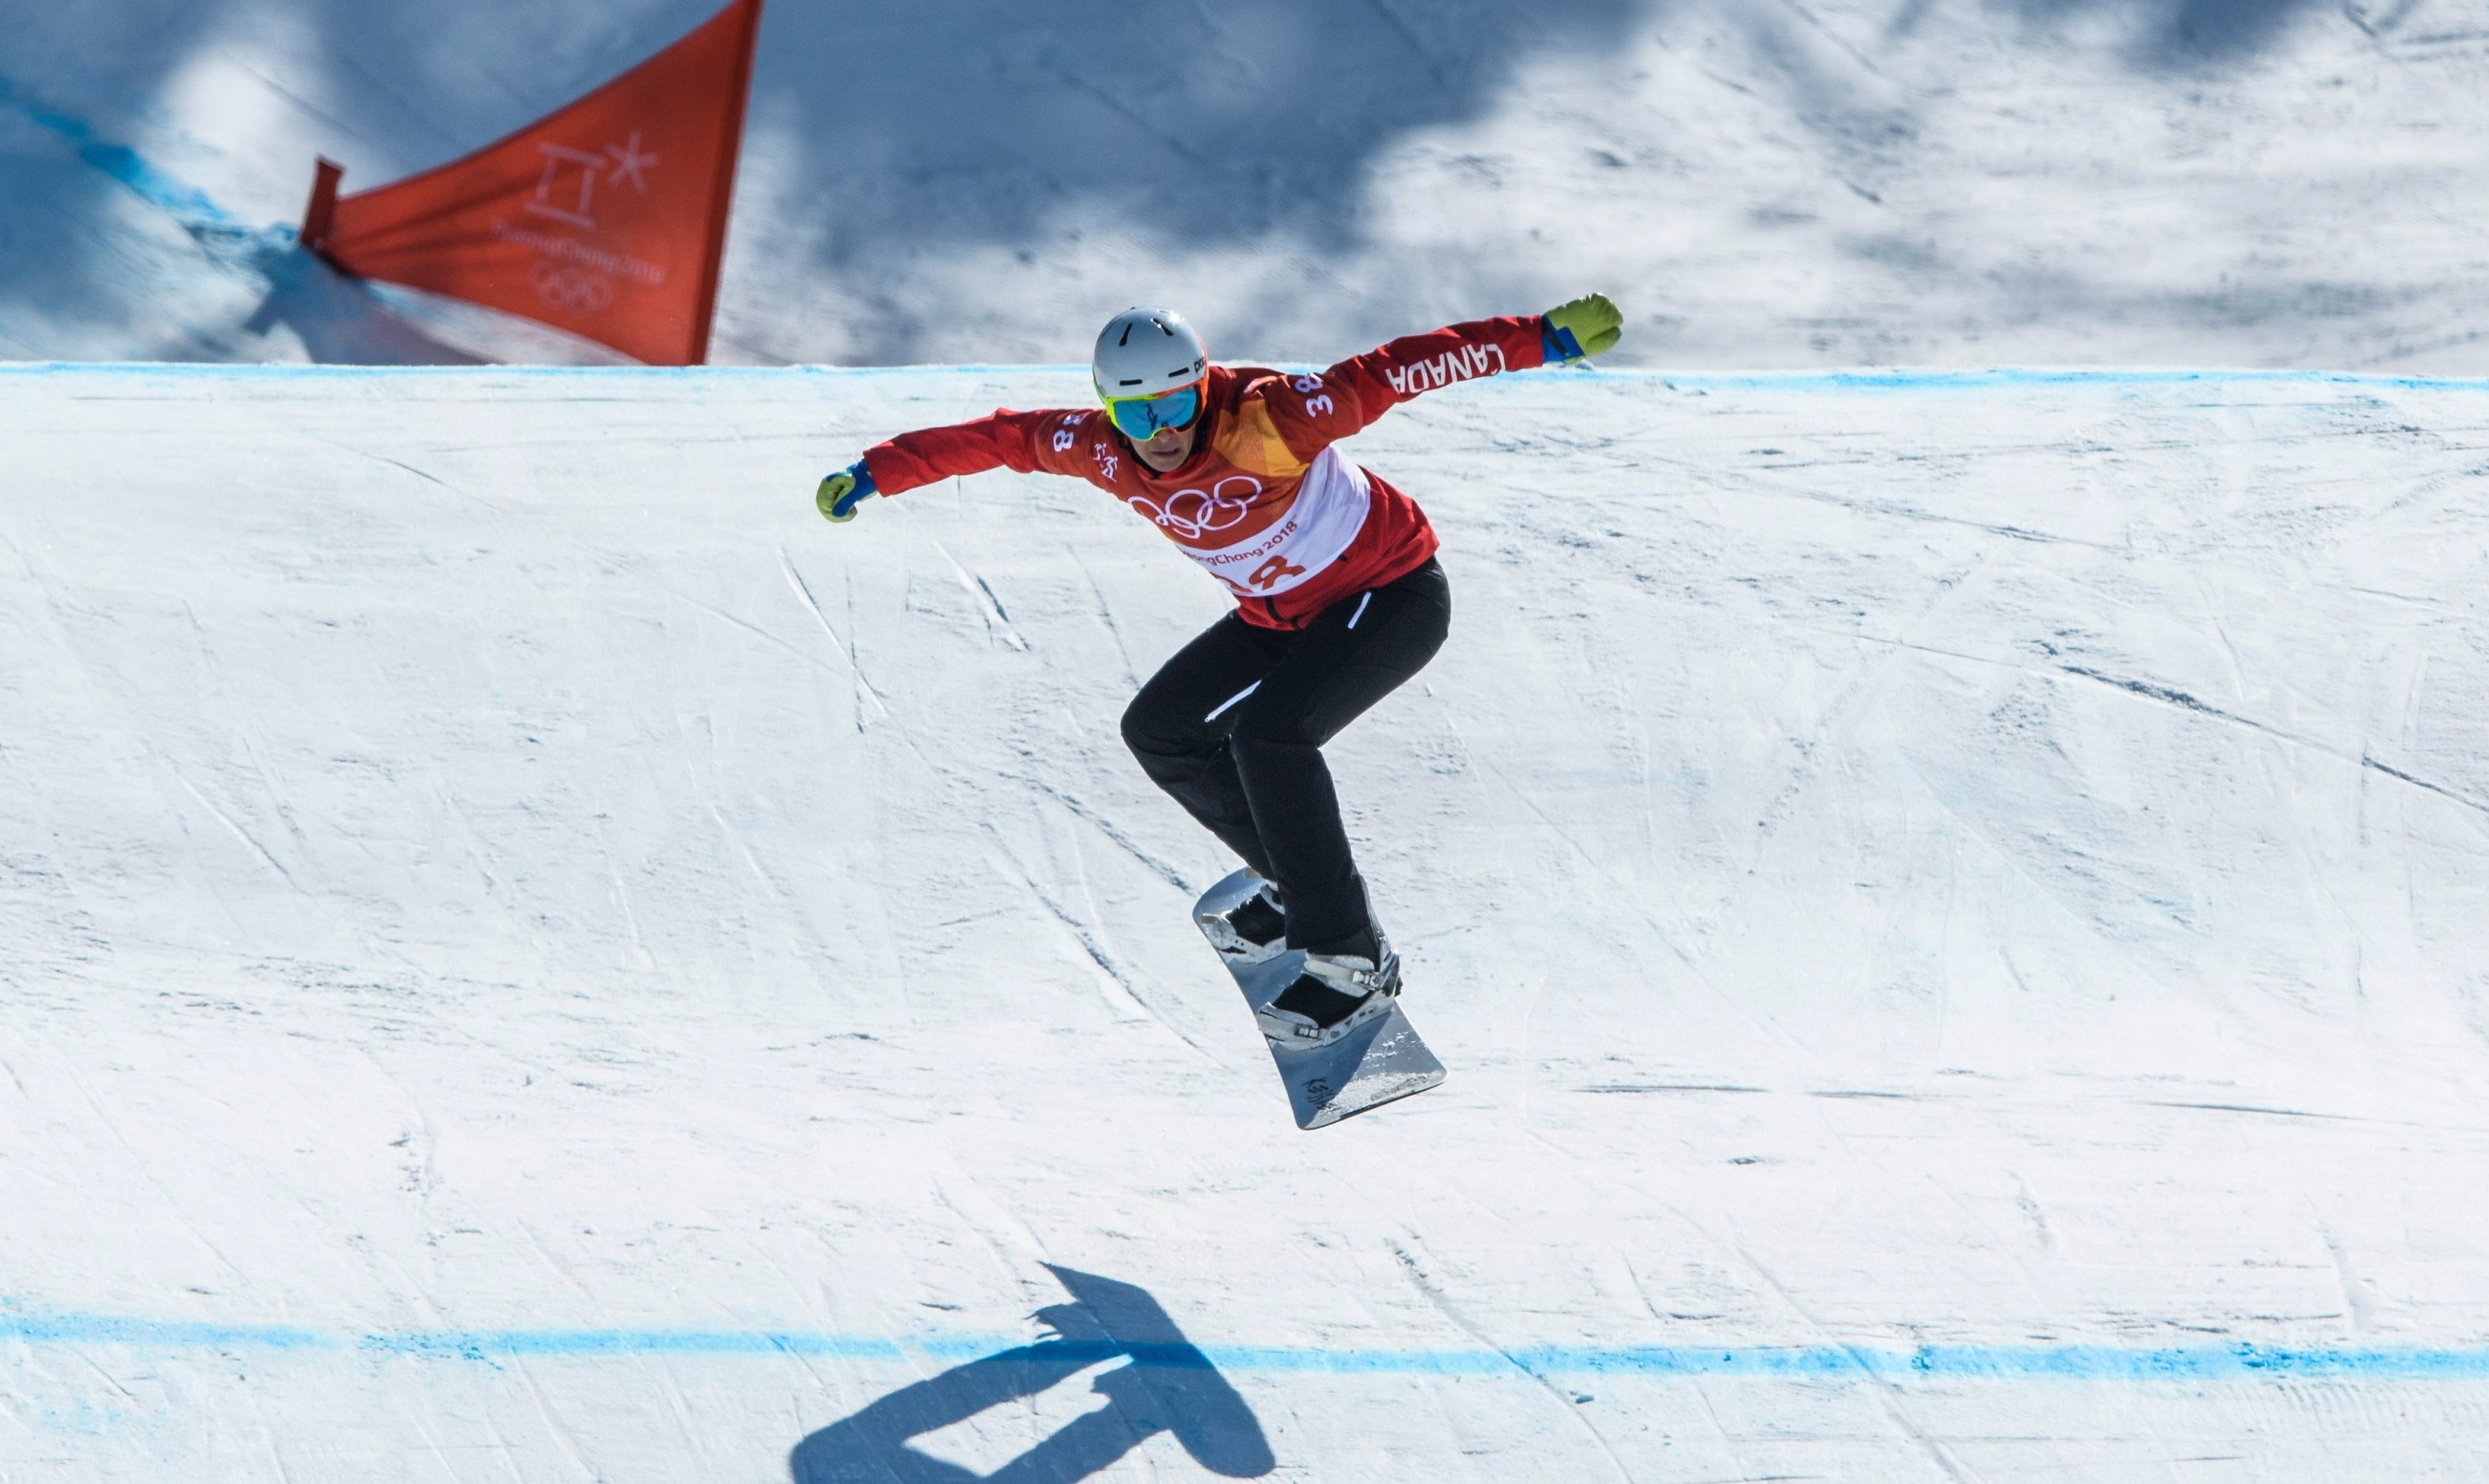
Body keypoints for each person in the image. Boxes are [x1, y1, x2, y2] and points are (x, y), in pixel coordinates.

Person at [814, 295, 1623, 1047]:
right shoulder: (1100, 449)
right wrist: (880, 471)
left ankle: (1349, 956)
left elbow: (1393, 370)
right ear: (1109, 409)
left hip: (1390, 593)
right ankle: (1302, 888)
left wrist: (1541, 338)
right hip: (1281, 617)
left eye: (1177, 403)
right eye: (1137, 412)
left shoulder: (1273, 417)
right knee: (1160, 732)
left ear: (1204, 387)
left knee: (1270, 737)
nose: (1160, 430)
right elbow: (1001, 439)